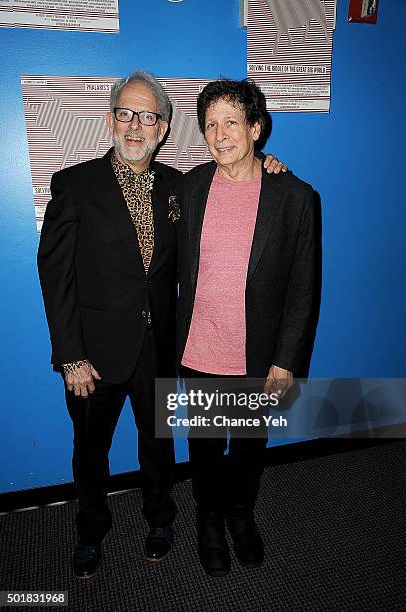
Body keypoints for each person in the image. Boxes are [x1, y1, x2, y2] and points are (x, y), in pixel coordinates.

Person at [37, 70, 286, 579]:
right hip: (94, 355)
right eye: (125, 114)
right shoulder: (74, 185)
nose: (135, 125)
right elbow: (54, 275)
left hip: (163, 349)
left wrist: (271, 166)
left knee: (159, 445)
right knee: (90, 451)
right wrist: (70, 356)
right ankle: (90, 528)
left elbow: (240, 184)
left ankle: (160, 518)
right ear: (110, 120)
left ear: (164, 129)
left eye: (148, 116)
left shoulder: (183, 186)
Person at [176, 78, 319, 577]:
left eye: (231, 122)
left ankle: (241, 515)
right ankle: (208, 520)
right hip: (200, 348)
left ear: (256, 129)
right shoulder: (189, 187)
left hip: (258, 354)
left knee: (250, 446)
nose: (219, 135)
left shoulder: (296, 197)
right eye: (210, 124)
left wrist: (286, 360)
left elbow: (304, 287)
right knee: (206, 447)